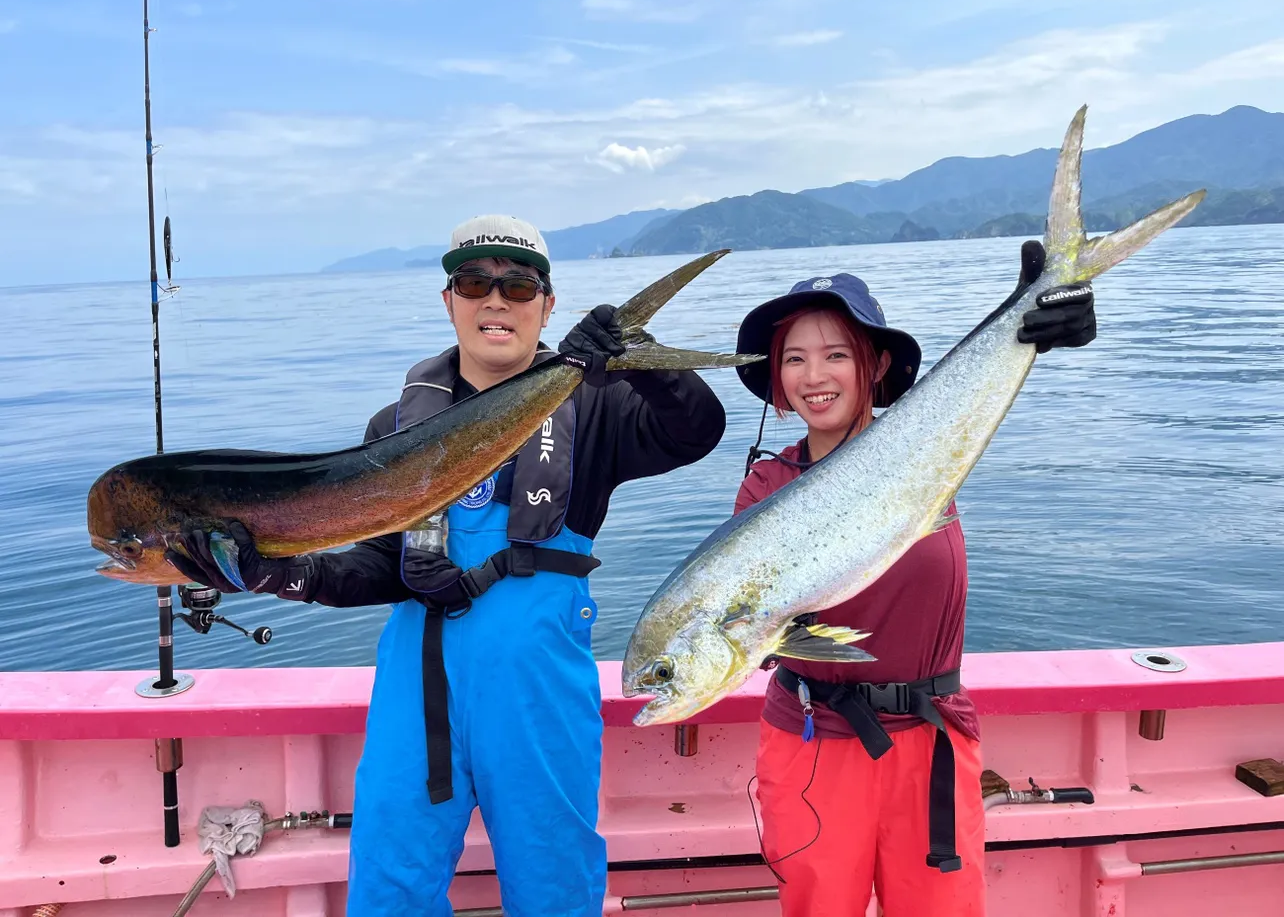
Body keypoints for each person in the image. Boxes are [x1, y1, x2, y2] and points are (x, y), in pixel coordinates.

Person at [164, 215, 729, 916]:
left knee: (556, 885)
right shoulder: (397, 425)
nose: (497, 299)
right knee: (389, 885)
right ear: (449, 300)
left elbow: (696, 431)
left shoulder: (595, 406)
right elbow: (376, 565)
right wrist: (273, 572)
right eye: (474, 282)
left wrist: (642, 358)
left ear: (547, 306)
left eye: (518, 285)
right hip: (417, 690)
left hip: (538, 694)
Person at [730, 242, 1096, 917]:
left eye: (837, 353)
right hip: (813, 744)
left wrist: (1034, 330)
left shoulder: (924, 453)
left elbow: (971, 401)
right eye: (794, 358)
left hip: (929, 740)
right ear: (777, 381)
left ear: (875, 367)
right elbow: (765, 628)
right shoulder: (765, 488)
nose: (816, 375)